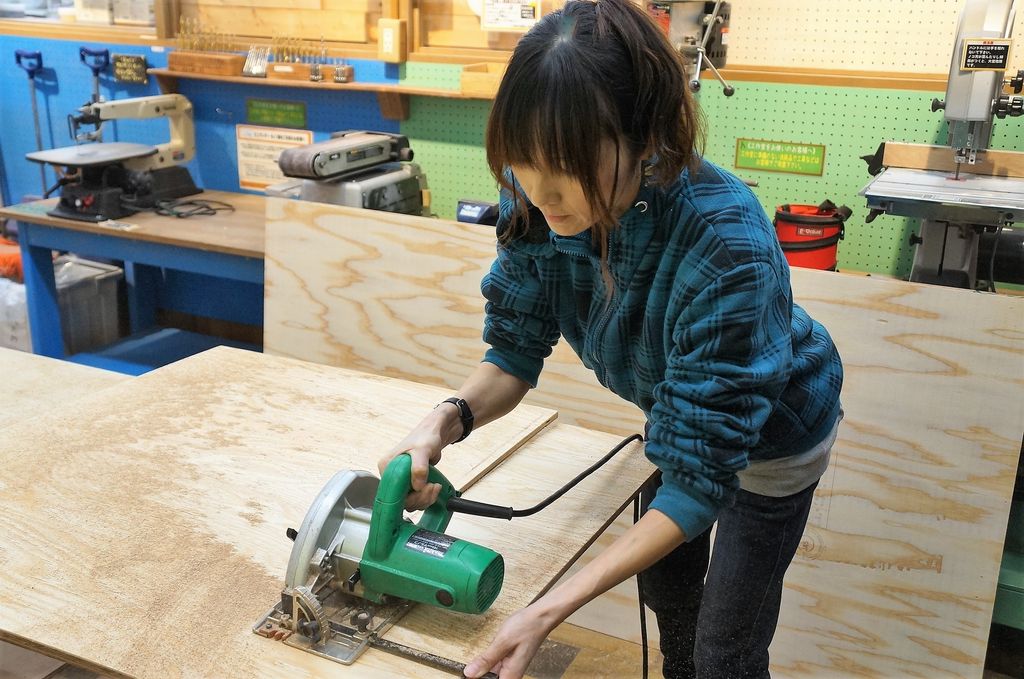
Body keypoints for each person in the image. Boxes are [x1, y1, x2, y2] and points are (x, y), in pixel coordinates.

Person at [378, 1, 843, 677]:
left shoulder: (725, 247)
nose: (541, 197)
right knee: (668, 591)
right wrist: (439, 424)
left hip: (778, 438)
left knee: (726, 650)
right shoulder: (536, 197)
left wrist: (545, 610)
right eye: (524, 169)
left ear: (646, 136)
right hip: (683, 413)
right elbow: (514, 352)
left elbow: (697, 482)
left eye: (564, 171)